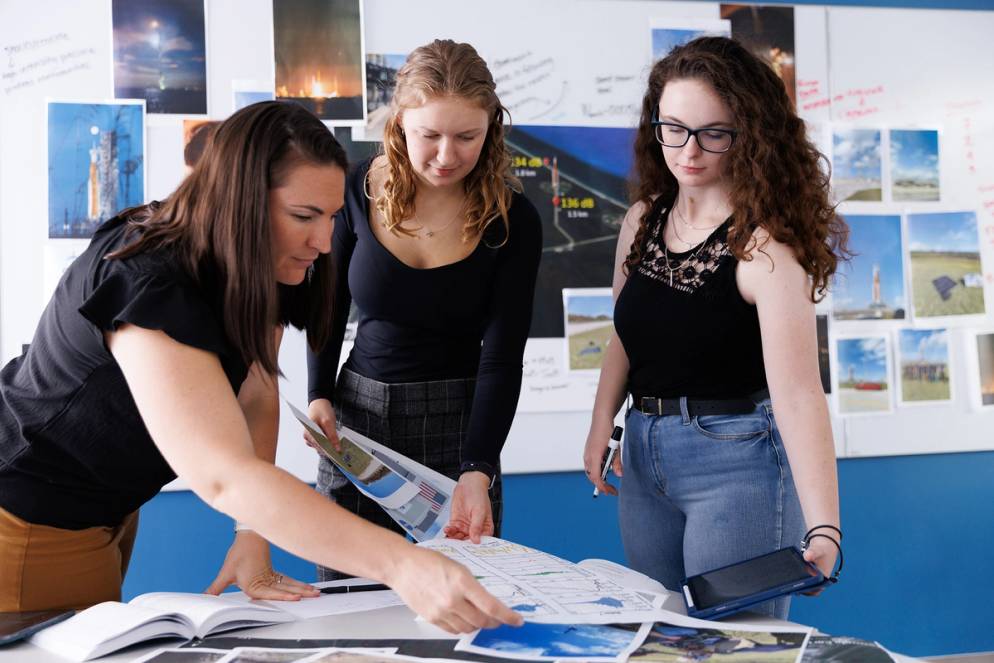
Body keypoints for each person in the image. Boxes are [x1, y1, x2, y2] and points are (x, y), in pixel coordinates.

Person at [0, 100, 523, 634]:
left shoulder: (255, 263)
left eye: (331, 217)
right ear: (241, 202)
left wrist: (251, 532)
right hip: (25, 516)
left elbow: (255, 389)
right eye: (303, 217)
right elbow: (224, 475)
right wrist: (404, 565)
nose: (323, 243)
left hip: (104, 510)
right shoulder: (149, 280)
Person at [582, 37, 847, 618]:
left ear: (750, 135)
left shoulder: (766, 249)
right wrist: (602, 421)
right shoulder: (642, 219)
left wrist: (826, 528)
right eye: (673, 128)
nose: (689, 150)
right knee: (655, 641)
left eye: (713, 133)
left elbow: (799, 394)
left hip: (738, 465)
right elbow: (629, 333)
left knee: (732, 652)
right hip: (644, 455)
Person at [306, 39, 542, 578]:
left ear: (492, 130)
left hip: (461, 430)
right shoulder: (354, 188)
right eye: (428, 135)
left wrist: (477, 470)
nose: (446, 155)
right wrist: (319, 394)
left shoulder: (514, 219)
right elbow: (327, 303)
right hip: (356, 422)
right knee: (348, 601)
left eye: (467, 137)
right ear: (399, 125)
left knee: (453, 606)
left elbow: (502, 356)